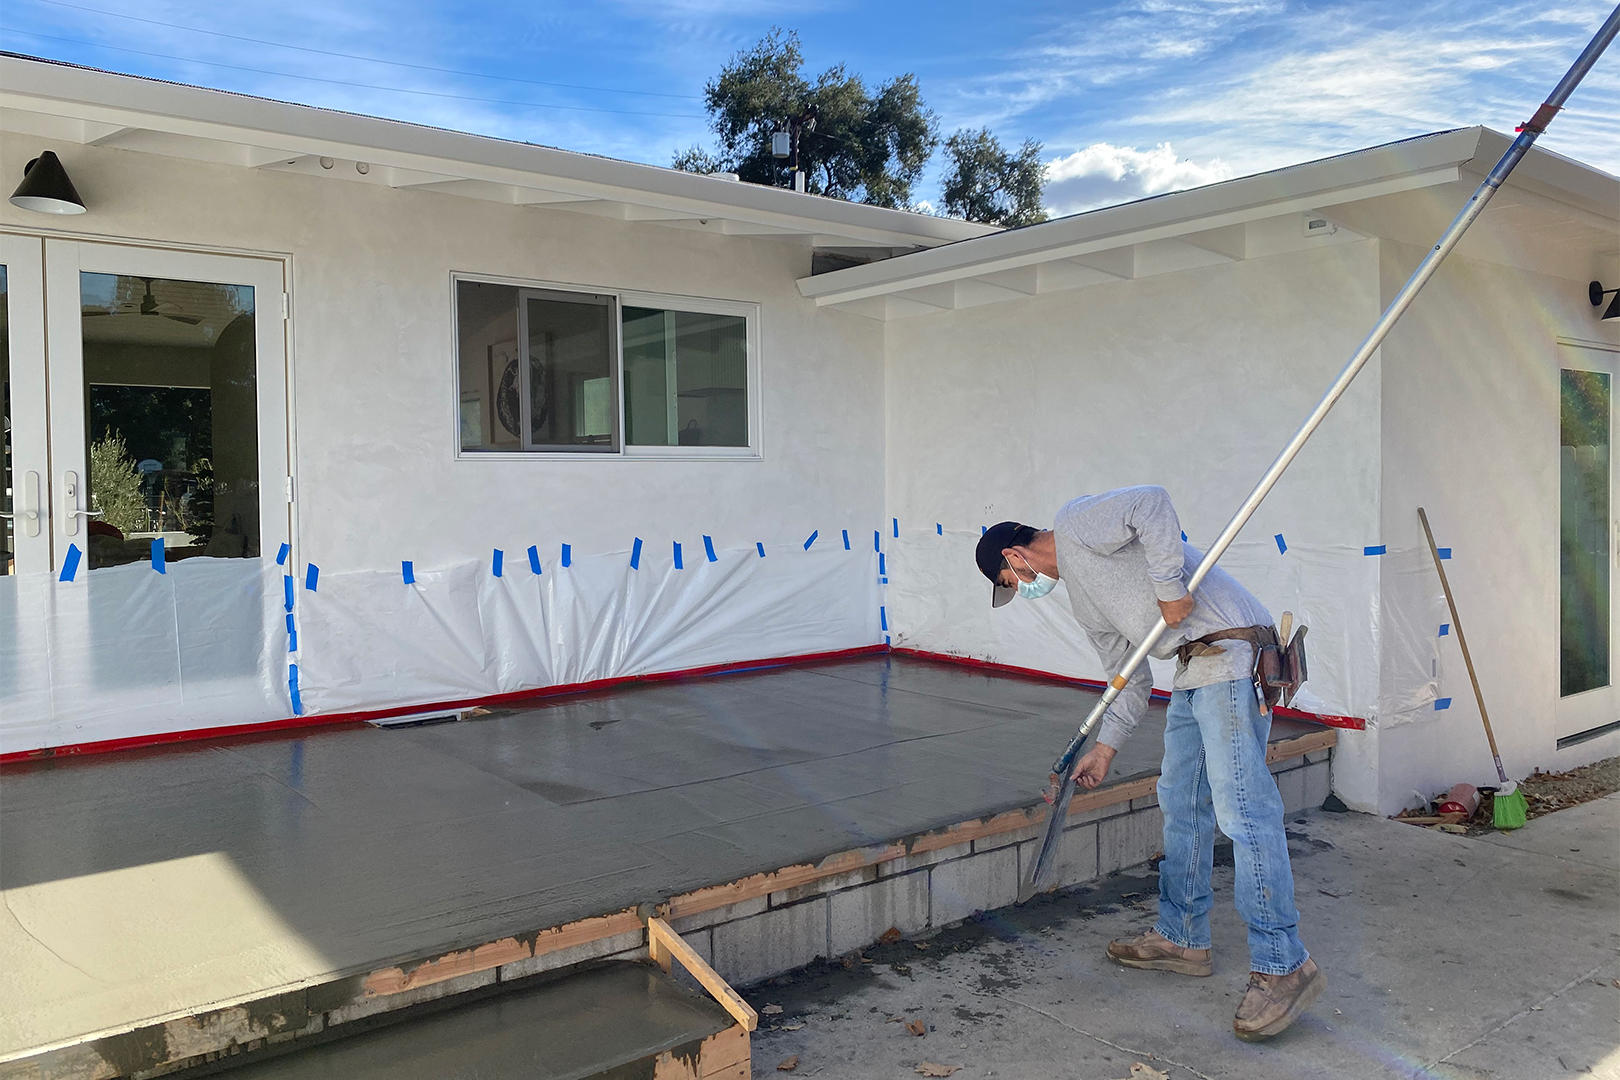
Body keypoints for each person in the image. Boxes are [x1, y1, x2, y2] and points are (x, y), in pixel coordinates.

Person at [975, 486, 1324, 1041]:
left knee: (1242, 813)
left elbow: (1151, 504)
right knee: (1182, 802)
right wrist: (1105, 747)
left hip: (1231, 653)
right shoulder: (1085, 603)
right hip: (1194, 668)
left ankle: (1284, 965)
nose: (1022, 591)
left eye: (1010, 584)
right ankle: (1182, 936)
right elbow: (1130, 676)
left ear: (1012, 558)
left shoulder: (1077, 523)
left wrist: (1168, 588)